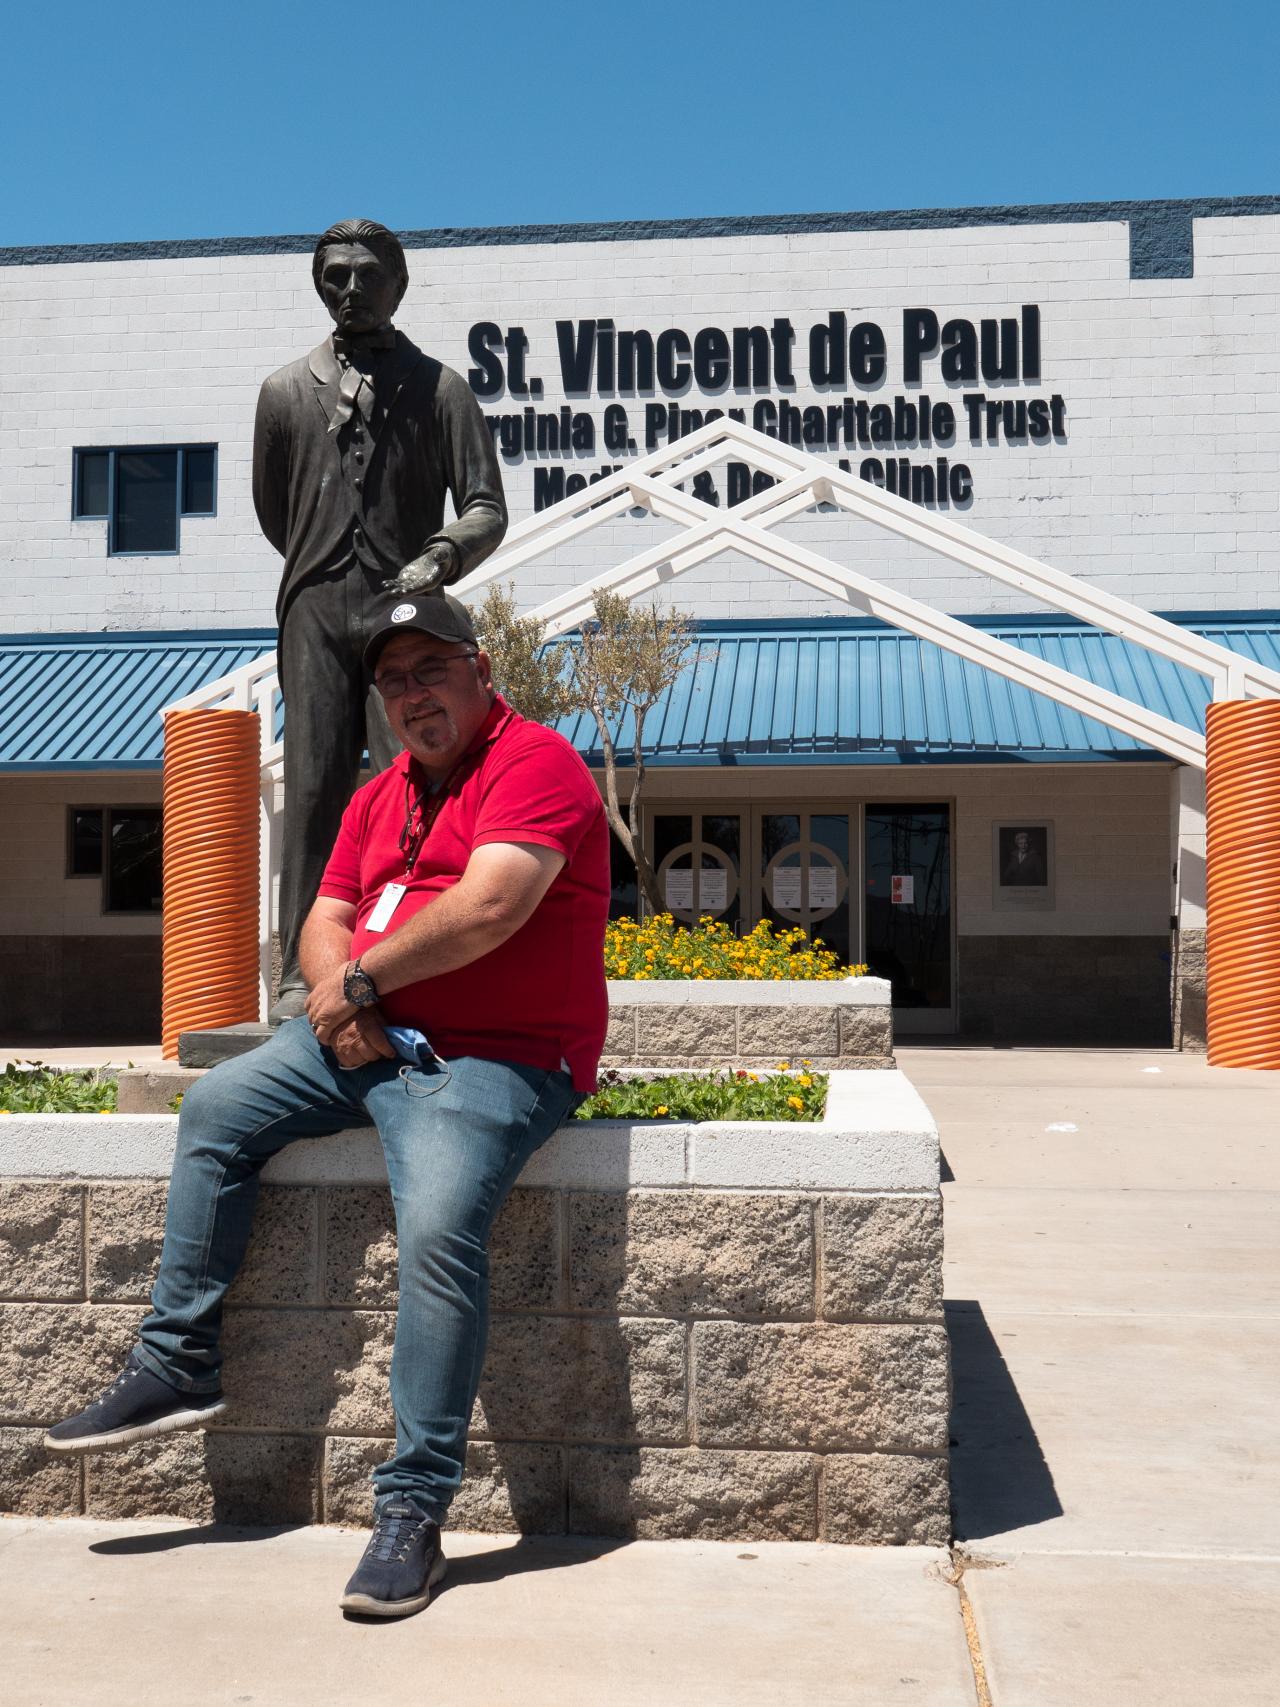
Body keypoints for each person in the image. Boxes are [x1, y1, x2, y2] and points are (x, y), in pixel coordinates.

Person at [45, 593, 611, 1619]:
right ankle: (178, 1362)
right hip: (358, 1040)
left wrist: (359, 986)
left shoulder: (535, 764)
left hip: (496, 1058)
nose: (410, 694)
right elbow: (325, 918)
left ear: (480, 671)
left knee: (438, 1226)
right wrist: (340, 999)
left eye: (429, 669)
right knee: (216, 1109)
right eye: (392, 680)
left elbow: (492, 905)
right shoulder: (378, 792)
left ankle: (412, 1510)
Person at [252, 217, 508, 1021]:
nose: (351, 288)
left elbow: (485, 506)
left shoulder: (440, 389)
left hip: (404, 610)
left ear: (398, 283)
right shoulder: (285, 391)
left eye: (367, 274)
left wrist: (437, 556)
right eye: (335, 275)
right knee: (317, 781)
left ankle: (419, 962)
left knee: (419, 778)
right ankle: (303, 977)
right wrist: (322, 564)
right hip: (316, 609)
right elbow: (274, 509)